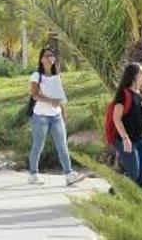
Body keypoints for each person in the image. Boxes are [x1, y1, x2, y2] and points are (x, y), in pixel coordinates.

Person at [27, 48, 85, 186]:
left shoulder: (58, 75)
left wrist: (63, 111)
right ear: (41, 59)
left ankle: (69, 175)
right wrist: (50, 101)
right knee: (38, 145)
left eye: (51, 56)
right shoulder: (36, 76)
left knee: (62, 146)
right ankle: (33, 174)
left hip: (56, 116)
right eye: (46, 56)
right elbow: (34, 95)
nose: (49, 58)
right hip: (40, 116)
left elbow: (60, 95)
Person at [111, 63, 142, 188]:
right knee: (133, 173)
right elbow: (116, 119)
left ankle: (137, 204)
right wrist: (125, 139)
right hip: (126, 140)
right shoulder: (123, 94)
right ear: (134, 76)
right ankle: (113, 194)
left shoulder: (141, 95)